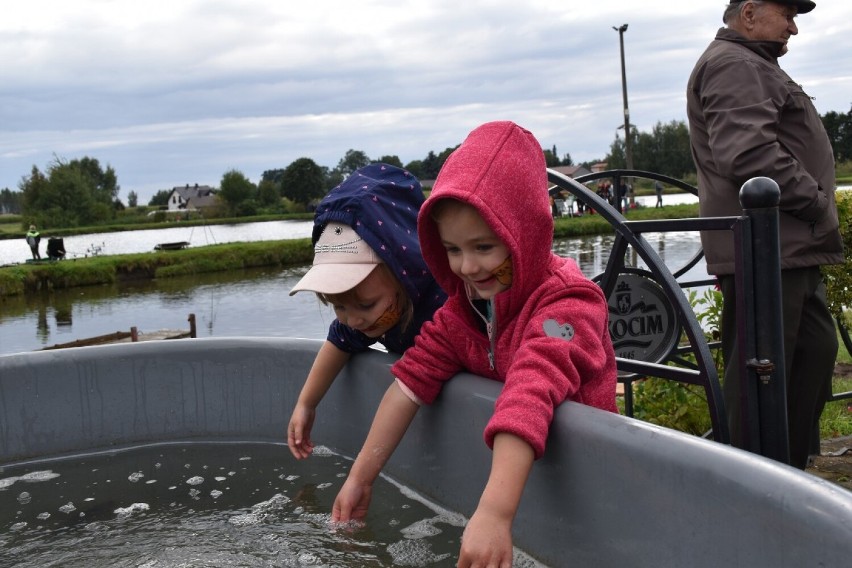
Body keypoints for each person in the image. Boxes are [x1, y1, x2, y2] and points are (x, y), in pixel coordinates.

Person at [331, 121, 618, 566]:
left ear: (524, 234)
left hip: (592, 495)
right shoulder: (463, 312)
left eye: (484, 247)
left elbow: (531, 387)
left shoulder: (567, 305)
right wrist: (361, 477)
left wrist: (493, 514)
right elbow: (409, 381)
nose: (467, 267)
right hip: (527, 492)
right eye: (451, 249)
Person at [686, 0, 843, 469]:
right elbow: (749, 154)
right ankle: (752, 485)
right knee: (761, 382)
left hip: (784, 248)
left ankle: (786, 478)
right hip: (768, 248)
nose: (794, 27)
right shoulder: (735, 64)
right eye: (788, 13)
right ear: (749, 12)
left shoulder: (749, 62)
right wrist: (816, 202)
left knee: (810, 353)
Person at [287, 163, 446, 460]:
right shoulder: (362, 319)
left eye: (366, 305)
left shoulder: (446, 308)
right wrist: (307, 404)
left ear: (404, 275)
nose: (353, 319)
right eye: (338, 306)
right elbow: (339, 341)